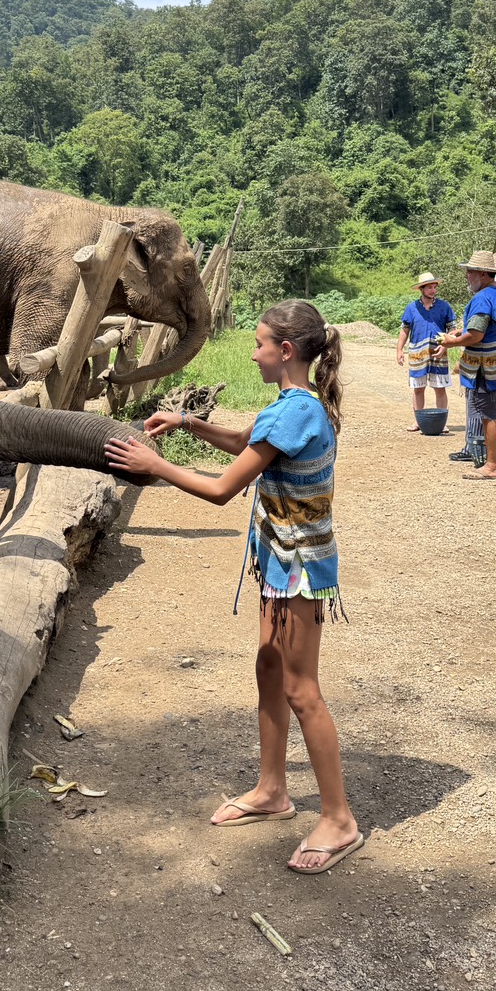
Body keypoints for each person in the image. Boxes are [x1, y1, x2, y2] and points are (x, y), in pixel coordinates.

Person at [104, 300, 362, 876]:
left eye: (260, 343)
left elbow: (222, 489)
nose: (253, 353)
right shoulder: (292, 405)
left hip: (299, 566)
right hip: (277, 560)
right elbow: (248, 440)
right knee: (269, 666)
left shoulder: (295, 412)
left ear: (286, 352)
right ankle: (273, 789)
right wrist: (190, 424)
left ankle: (340, 820)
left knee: (301, 690)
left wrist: (155, 465)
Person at [436, 250, 496, 481]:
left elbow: (476, 336)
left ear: (482, 273)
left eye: (470, 272)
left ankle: (492, 466)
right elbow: (489, 326)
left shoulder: (482, 299)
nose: (467, 276)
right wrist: (463, 331)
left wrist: (451, 341)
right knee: (495, 410)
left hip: (485, 366)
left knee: (487, 413)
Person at [397, 272, 455, 431]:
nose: (433, 290)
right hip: (417, 352)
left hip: (438, 351)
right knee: (418, 388)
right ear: (421, 289)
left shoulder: (444, 306)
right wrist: (400, 349)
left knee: (440, 388)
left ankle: (442, 423)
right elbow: (405, 330)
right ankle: (418, 421)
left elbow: (452, 329)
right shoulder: (411, 308)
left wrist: (446, 345)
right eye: (429, 287)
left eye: (434, 287)